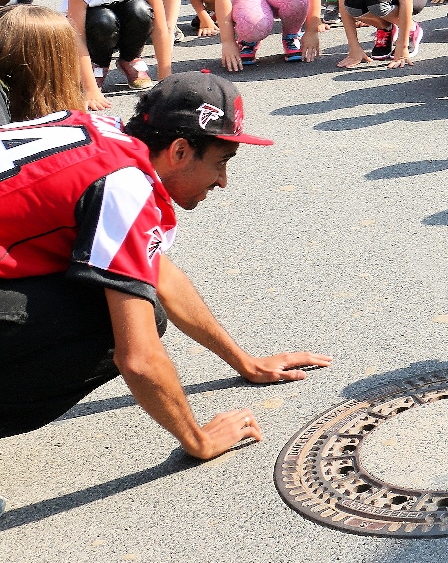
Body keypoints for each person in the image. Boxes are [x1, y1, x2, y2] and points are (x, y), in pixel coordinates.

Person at [0, 71, 330, 459]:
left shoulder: (102, 131)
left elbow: (158, 273)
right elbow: (138, 359)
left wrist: (246, 363)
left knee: (116, 285)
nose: (223, 181)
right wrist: (199, 441)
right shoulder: (124, 185)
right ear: (179, 151)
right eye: (221, 162)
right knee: (114, 318)